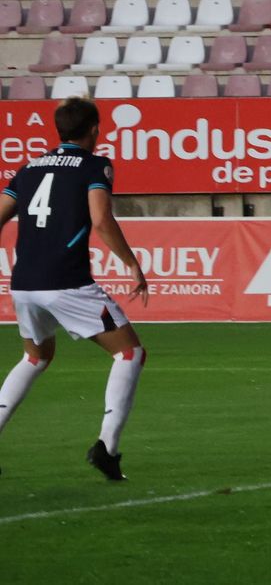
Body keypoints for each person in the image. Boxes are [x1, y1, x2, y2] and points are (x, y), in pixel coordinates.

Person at [0, 97, 148, 481]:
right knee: (129, 353)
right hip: (66, 281)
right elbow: (101, 219)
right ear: (95, 130)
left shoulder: (29, 167)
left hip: (25, 282)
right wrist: (131, 262)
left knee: (35, 357)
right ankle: (107, 448)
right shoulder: (94, 165)